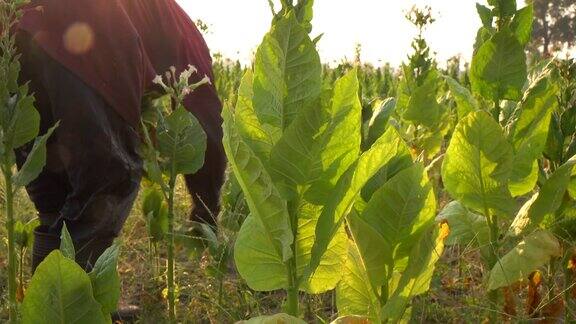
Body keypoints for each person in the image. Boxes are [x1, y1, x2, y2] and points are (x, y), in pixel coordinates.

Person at [13, 0, 225, 273]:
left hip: (15, 30)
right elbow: (207, 124)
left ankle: (52, 305)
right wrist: (205, 211)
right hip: (87, 27)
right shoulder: (190, 39)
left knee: (54, 193)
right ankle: (77, 307)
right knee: (110, 177)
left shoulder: (155, 13)